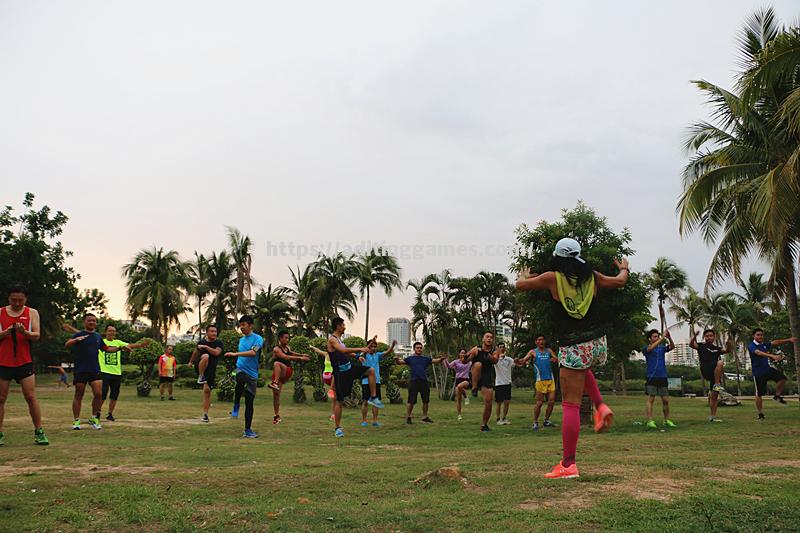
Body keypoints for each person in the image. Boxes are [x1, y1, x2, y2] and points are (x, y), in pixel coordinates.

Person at [516, 237, 628, 479]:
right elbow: (620, 282)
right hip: (598, 344)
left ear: (558, 256)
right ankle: (600, 405)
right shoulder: (594, 277)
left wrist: (523, 274)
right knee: (581, 369)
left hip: (573, 345)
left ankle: (568, 465)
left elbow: (520, 286)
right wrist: (624, 268)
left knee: (570, 405)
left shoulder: (552, 277)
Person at [0, 284, 48, 445]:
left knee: (31, 396)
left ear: (25, 299)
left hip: (24, 361)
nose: (17, 303)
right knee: (1, 398)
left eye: (20, 300)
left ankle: (39, 431)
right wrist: (5, 333)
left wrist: (24, 332)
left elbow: (36, 335)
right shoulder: (0, 313)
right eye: (14, 300)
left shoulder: (32, 313)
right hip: (3, 362)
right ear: (9, 298)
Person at [65, 313, 126, 430]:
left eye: (94, 321)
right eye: (89, 320)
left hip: (95, 369)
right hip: (81, 369)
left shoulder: (98, 337)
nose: (92, 322)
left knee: (98, 394)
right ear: (84, 322)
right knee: (79, 394)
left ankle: (94, 418)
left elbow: (107, 349)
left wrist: (120, 348)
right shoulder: (79, 335)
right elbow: (67, 344)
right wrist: (76, 340)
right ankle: (76, 421)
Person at [327, 317, 384, 438]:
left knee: (371, 371)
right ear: (338, 326)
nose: (344, 327)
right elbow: (342, 350)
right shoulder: (332, 339)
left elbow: (345, 352)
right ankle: (337, 428)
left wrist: (357, 356)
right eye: (343, 325)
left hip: (349, 368)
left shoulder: (339, 339)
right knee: (339, 401)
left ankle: (373, 397)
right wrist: (360, 349)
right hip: (340, 373)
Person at [225, 315, 264, 438]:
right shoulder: (241, 340)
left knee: (249, 402)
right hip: (239, 368)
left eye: (244, 325)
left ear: (250, 325)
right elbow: (241, 358)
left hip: (252, 373)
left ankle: (247, 430)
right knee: (239, 378)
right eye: (240, 325)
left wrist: (235, 353)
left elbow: (253, 353)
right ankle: (236, 404)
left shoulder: (258, 339)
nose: (241, 328)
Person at [747, 328, 797, 420]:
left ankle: (777, 396)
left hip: (767, 369)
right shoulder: (752, 345)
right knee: (759, 394)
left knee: (782, 378)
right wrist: (771, 356)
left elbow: (776, 342)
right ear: (753, 336)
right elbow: (758, 353)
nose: (760, 336)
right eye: (758, 335)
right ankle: (760, 414)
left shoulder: (764, 345)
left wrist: (789, 339)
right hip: (758, 373)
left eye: (761, 335)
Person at [395, 342, 445, 424]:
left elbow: (435, 361)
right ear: (414, 349)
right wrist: (396, 359)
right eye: (417, 348)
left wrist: (441, 359)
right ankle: (408, 417)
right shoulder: (410, 358)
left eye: (420, 348)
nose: (419, 349)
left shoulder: (425, 359)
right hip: (413, 381)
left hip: (423, 381)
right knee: (411, 401)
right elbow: (400, 362)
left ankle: (424, 417)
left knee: (426, 400)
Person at [268, 331, 311, 425]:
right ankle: (277, 416)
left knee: (277, 363)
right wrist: (301, 358)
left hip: (287, 371)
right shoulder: (276, 349)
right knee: (276, 395)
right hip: (278, 374)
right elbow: (285, 357)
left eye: (288, 338)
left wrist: (302, 355)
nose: (287, 340)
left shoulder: (287, 348)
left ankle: (274, 383)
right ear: (280, 338)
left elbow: (290, 354)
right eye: (285, 338)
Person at [688, 327, 730, 422]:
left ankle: (712, 417)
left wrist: (729, 344)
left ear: (714, 337)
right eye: (707, 336)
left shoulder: (717, 348)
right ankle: (716, 384)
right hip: (706, 370)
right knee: (720, 362)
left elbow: (727, 350)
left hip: (715, 373)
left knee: (714, 396)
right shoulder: (701, 346)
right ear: (704, 337)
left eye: (711, 336)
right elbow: (691, 344)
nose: (709, 337)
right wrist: (694, 336)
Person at [519, 335, 558, 430]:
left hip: (550, 379)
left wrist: (554, 360)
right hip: (540, 380)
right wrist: (520, 361)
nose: (541, 341)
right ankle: (535, 422)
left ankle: (546, 420)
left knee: (551, 401)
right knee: (539, 403)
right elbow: (524, 360)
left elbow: (557, 359)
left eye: (542, 339)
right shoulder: (533, 352)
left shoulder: (548, 351)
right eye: (539, 340)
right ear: (536, 342)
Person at [466, 332, 503, 432]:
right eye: (487, 337)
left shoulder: (494, 351)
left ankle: (484, 424)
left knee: (489, 402)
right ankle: (474, 388)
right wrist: (466, 355)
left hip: (486, 377)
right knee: (478, 364)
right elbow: (465, 360)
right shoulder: (475, 349)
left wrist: (486, 354)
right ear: (483, 339)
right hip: (475, 374)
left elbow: (495, 360)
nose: (489, 339)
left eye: (491, 337)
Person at [187, 325, 224, 422]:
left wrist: (206, 347)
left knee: (207, 391)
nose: (214, 333)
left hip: (211, 369)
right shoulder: (201, 342)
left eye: (215, 331)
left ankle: (205, 414)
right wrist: (191, 361)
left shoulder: (218, 343)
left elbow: (216, 353)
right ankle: (201, 376)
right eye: (212, 331)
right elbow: (195, 352)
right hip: (200, 366)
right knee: (206, 356)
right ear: (207, 333)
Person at [643, 329, 676, 429]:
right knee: (651, 399)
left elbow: (672, 347)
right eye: (654, 336)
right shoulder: (646, 348)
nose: (656, 338)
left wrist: (669, 337)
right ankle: (650, 421)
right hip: (652, 376)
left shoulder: (662, 348)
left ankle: (666, 420)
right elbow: (650, 349)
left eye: (657, 336)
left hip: (662, 376)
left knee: (665, 400)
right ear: (650, 339)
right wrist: (662, 338)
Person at [359, 339, 396, 427]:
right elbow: (361, 352)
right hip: (366, 382)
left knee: (376, 401)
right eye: (371, 346)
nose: (373, 348)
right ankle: (364, 420)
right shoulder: (363, 355)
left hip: (376, 381)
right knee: (365, 401)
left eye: (375, 347)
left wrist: (392, 345)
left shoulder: (377, 355)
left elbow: (387, 352)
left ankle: (375, 421)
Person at [494, 344, 525, 425]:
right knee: (499, 402)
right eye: (500, 347)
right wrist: (499, 356)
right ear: (498, 349)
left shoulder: (509, 359)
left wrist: (519, 360)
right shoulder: (496, 359)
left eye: (503, 347)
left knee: (507, 402)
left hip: (507, 383)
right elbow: (493, 360)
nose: (502, 348)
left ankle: (504, 418)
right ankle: (498, 419)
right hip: (499, 383)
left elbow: (517, 364)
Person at [442, 349, 472, 420]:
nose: (463, 354)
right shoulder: (456, 361)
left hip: (466, 380)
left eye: (464, 353)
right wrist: (445, 360)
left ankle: (465, 397)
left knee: (459, 386)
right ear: (459, 354)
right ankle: (459, 415)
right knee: (458, 399)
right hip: (458, 379)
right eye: (462, 353)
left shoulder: (469, 362)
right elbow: (449, 366)